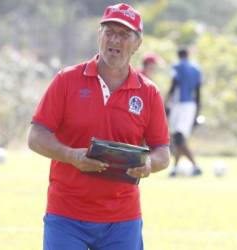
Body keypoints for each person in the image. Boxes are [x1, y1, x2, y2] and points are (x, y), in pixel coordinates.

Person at [28, 3, 170, 250]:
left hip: (123, 220)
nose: (115, 40)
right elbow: (36, 136)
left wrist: (149, 164)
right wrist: (71, 155)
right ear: (99, 36)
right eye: (109, 32)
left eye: (124, 34)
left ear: (137, 43)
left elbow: (162, 153)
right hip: (66, 215)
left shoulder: (148, 93)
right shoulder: (66, 80)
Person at [165, 48, 202, 177]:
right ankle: (175, 168)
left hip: (180, 105)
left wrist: (166, 101)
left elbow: (174, 83)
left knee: (179, 138)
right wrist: (198, 110)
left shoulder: (177, 66)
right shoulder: (196, 68)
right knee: (178, 138)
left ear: (178, 55)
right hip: (190, 105)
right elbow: (198, 90)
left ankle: (195, 166)